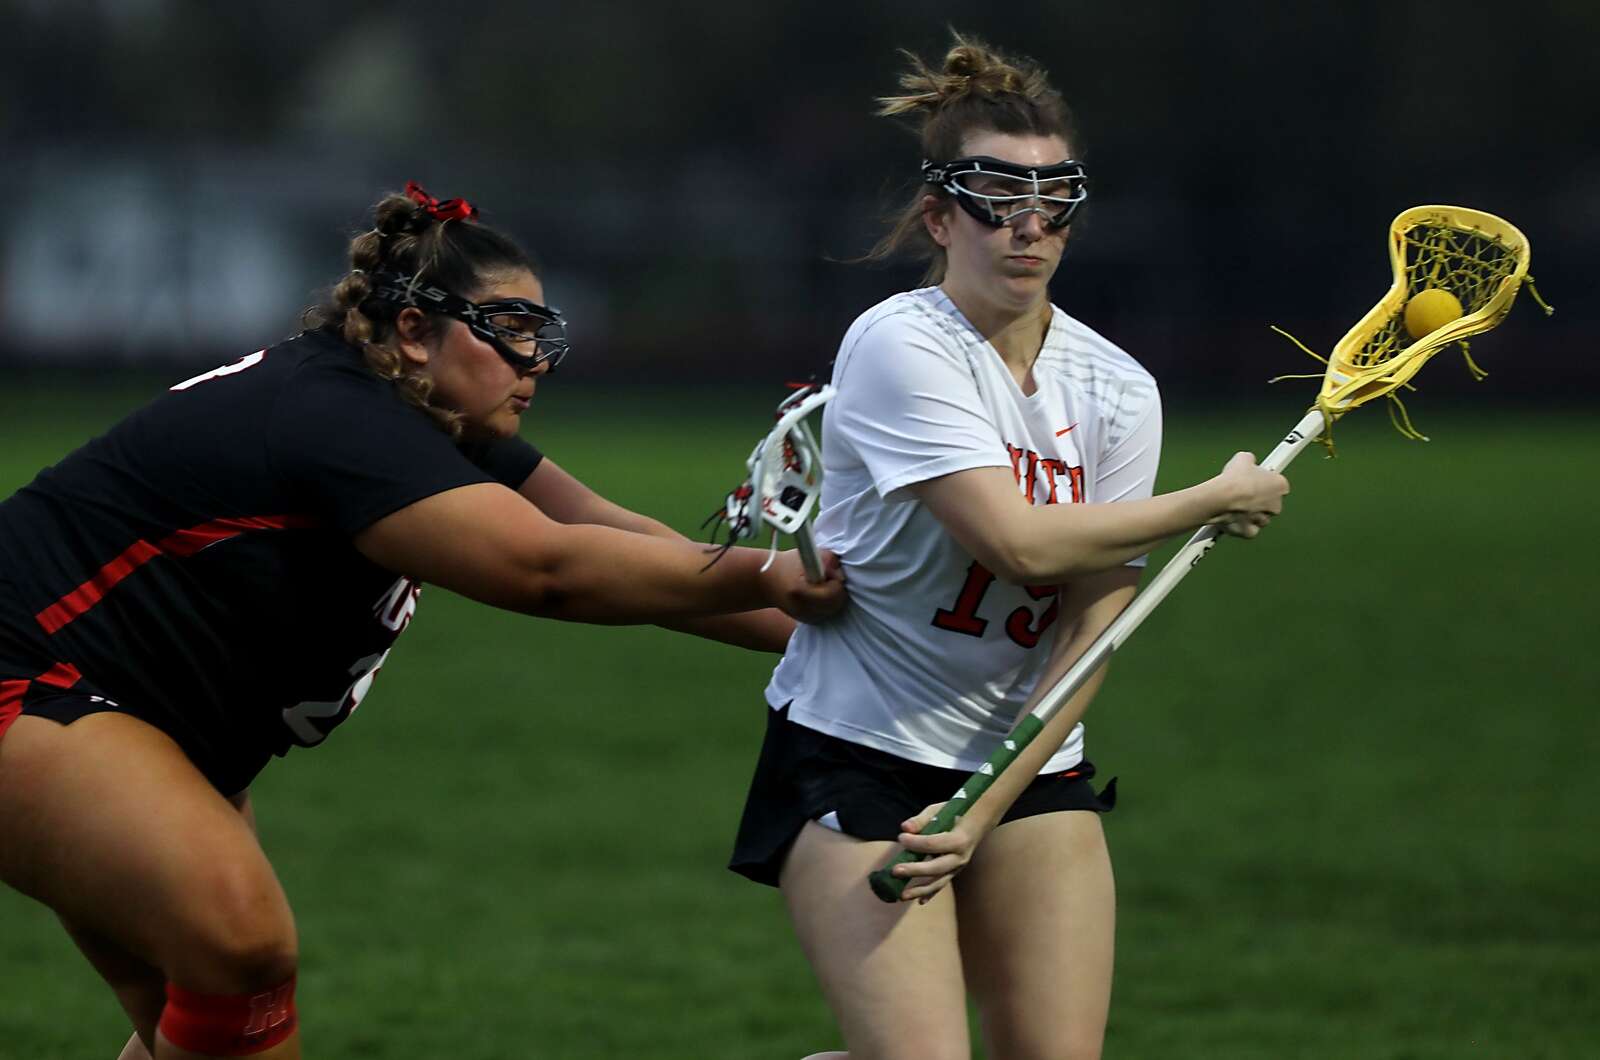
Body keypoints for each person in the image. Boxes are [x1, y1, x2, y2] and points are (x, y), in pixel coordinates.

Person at [0, 181, 846, 1060]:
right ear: (413, 330)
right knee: (241, 943)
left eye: (542, 334)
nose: (535, 361)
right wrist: (779, 576)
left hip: (130, 710)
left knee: (214, 1008)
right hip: (33, 670)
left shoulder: (419, 420)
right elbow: (547, 570)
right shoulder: (338, 415)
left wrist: (851, 635)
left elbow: (608, 533)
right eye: (510, 327)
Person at [728, 35, 1289, 1060]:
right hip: (860, 750)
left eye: (1053, 199)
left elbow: (1093, 619)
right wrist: (1209, 500)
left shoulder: (1117, 387)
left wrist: (989, 799)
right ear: (939, 217)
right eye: (995, 196)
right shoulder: (900, 344)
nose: (1028, 225)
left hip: (1027, 755)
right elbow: (1018, 543)